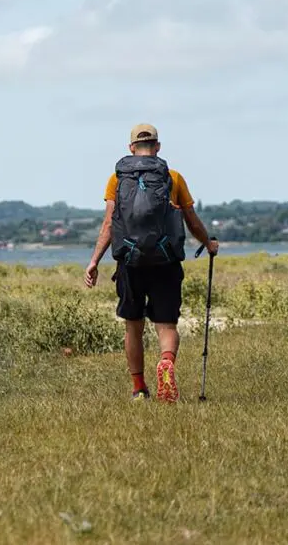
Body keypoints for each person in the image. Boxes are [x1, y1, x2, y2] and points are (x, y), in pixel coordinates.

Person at [84, 124, 218, 403]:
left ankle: (138, 389)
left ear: (131, 148)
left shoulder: (117, 179)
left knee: (133, 326)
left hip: (130, 262)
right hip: (166, 261)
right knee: (166, 325)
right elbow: (191, 221)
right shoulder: (173, 178)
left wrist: (94, 261)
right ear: (158, 147)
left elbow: (109, 224)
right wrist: (208, 243)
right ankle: (166, 361)